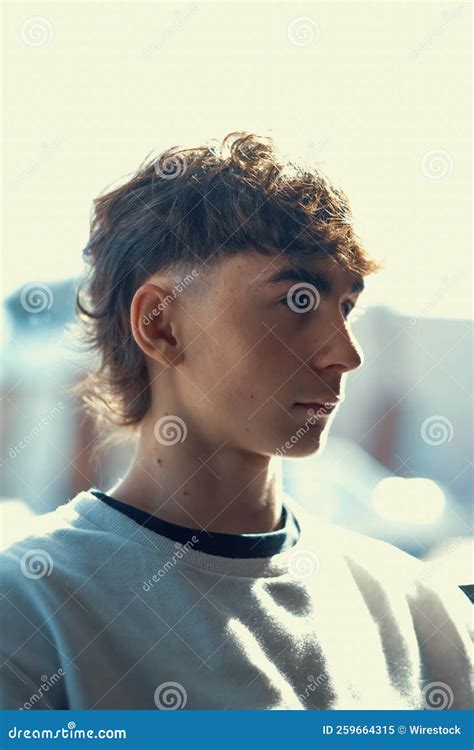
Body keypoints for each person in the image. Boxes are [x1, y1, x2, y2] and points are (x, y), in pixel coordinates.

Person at [0, 132, 471, 710]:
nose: (346, 354)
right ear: (161, 325)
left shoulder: (420, 612)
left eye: (346, 307)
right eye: (298, 300)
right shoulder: (29, 616)